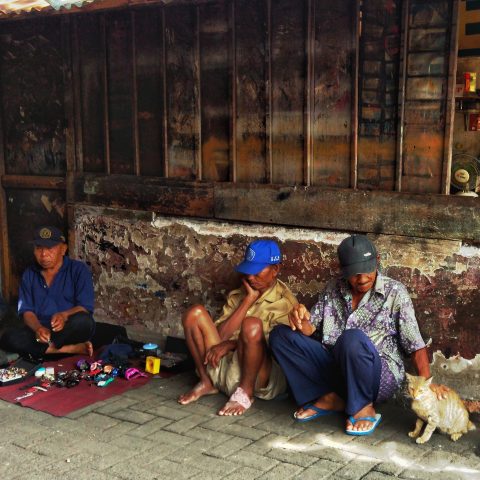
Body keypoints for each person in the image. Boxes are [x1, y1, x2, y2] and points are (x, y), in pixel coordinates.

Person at [269, 234, 446, 436]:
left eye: (367, 270)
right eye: (354, 273)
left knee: (352, 339)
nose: (362, 279)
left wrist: (427, 385)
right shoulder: (332, 289)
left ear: (377, 261)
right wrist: (300, 318)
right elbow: (310, 329)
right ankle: (330, 398)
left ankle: (362, 405)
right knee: (280, 336)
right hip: (337, 369)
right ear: (342, 270)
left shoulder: (395, 292)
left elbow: (415, 344)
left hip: (376, 376)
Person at [177, 239, 298, 416]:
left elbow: (274, 348)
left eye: (257, 272)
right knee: (194, 313)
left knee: (252, 325)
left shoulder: (286, 303)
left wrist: (231, 344)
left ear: (275, 270)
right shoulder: (239, 295)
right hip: (227, 369)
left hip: (258, 377)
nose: (250, 277)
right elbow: (220, 337)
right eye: (249, 271)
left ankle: (245, 394)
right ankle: (206, 381)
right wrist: (248, 300)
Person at [0, 226, 95, 359]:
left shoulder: (78, 270)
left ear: (63, 249)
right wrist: (38, 328)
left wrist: (64, 315)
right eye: (39, 248)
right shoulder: (29, 274)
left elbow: (85, 307)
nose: (44, 254)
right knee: (8, 338)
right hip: (39, 333)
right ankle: (68, 349)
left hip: (65, 330)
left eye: (50, 248)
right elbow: (26, 311)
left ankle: (43, 350)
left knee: (85, 322)